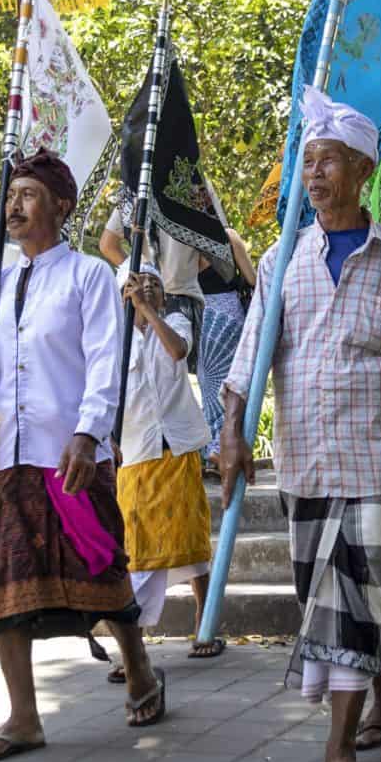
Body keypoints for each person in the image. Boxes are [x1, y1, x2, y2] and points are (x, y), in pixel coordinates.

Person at [221, 87, 381, 762]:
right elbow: (247, 363)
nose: (314, 174)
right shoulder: (280, 258)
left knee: (350, 596)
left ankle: (339, 748)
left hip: (372, 458)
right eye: (307, 160)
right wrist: (230, 433)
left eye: (327, 161)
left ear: (362, 171)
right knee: (325, 597)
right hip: (304, 458)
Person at [0, 148, 165, 762]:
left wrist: (89, 431)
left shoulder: (89, 276)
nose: (14, 206)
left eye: (29, 195)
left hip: (72, 458)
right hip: (8, 460)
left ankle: (140, 670)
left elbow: (104, 361)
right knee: (5, 581)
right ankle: (23, 718)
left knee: (100, 569)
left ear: (61, 207)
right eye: (10, 195)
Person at [108, 261, 226, 667]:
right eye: (138, 284)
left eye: (154, 283)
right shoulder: (114, 337)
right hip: (136, 450)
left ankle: (205, 620)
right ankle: (134, 645)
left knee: (190, 538)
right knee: (137, 548)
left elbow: (177, 351)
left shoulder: (175, 319)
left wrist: (148, 311)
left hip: (176, 445)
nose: (147, 289)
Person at [99, 206, 204, 370]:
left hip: (175, 302)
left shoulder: (129, 195)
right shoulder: (191, 190)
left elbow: (107, 246)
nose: (147, 284)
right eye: (143, 281)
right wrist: (138, 274)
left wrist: (141, 276)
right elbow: (211, 252)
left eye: (153, 283)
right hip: (184, 292)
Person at [198, 222, 257, 475]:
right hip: (228, 316)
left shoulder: (182, 242)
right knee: (231, 382)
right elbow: (254, 280)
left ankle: (213, 447)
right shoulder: (229, 237)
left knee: (209, 385)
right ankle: (222, 448)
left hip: (202, 318)